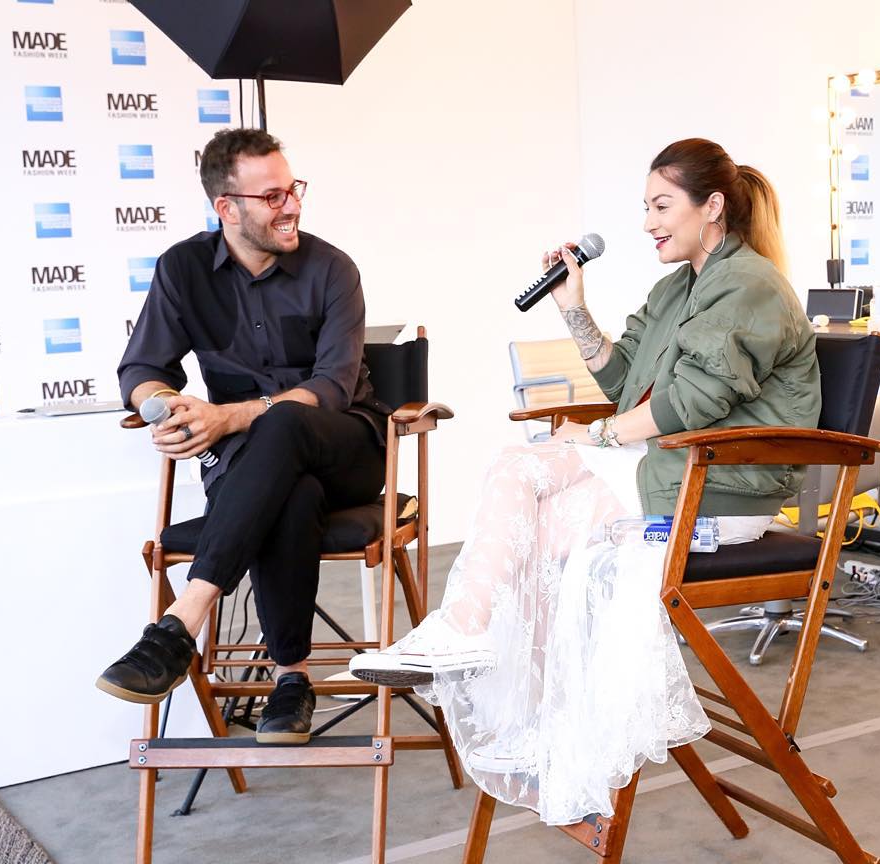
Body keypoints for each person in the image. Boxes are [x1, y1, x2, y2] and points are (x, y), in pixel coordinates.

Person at [350, 138, 821, 824]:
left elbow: (690, 405)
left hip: (717, 490)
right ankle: (520, 713)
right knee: (532, 519)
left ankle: (471, 642)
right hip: (665, 471)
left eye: (662, 205)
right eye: (645, 207)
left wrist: (595, 436)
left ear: (712, 206)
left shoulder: (749, 284)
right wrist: (573, 303)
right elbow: (622, 379)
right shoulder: (677, 288)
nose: (648, 222)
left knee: (524, 474)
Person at [97, 127, 390, 745]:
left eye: (294, 189)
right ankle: (292, 682)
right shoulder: (183, 269)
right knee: (291, 490)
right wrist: (165, 411)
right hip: (260, 472)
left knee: (283, 424)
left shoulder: (333, 269)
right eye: (274, 195)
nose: (293, 206)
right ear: (226, 208)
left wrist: (228, 416)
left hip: (348, 449)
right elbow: (141, 372)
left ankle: (182, 619)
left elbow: (332, 388)